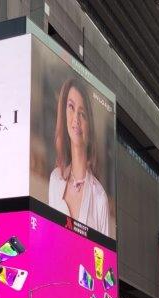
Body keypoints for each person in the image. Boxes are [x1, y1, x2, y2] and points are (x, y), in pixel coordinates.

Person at [47, 78, 109, 235]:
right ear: (64, 110)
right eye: (71, 107)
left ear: (89, 124)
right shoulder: (55, 180)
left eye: (82, 113)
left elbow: (106, 256)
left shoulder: (99, 196)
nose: (76, 119)